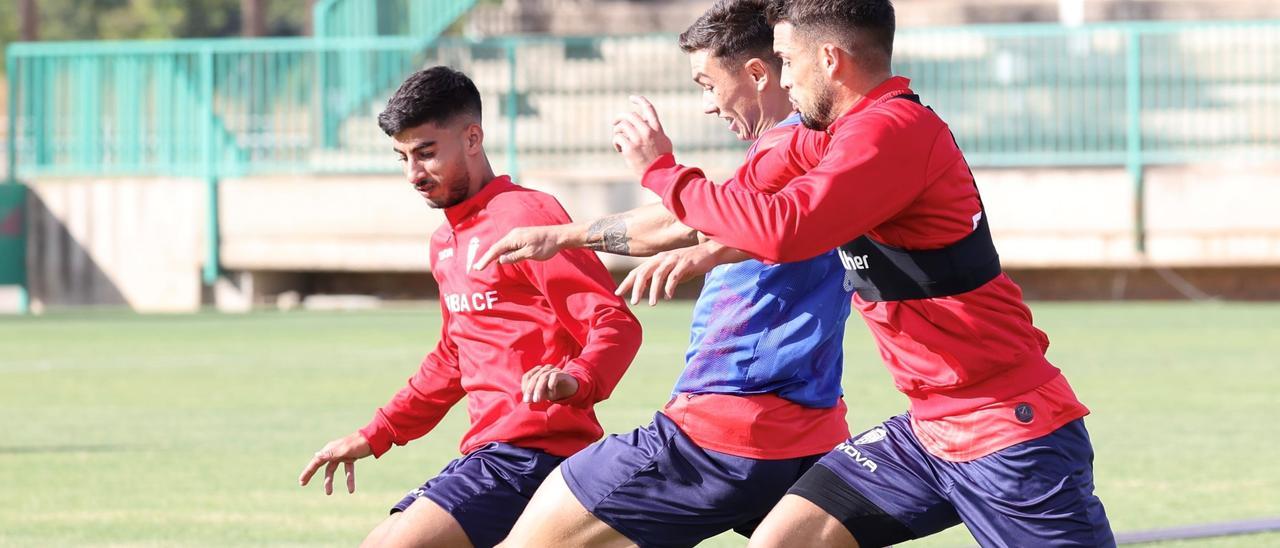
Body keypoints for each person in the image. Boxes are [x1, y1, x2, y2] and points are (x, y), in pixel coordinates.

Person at [610, 1, 1115, 546]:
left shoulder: (893, 131)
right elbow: (744, 199)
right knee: (785, 539)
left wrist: (663, 173)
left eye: (786, 59)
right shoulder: (835, 135)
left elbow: (786, 228)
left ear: (829, 60)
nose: (783, 77)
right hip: (926, 432)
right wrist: (573, 237)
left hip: (1007, 431)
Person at [475, 2, 856, 546]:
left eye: (708, 83)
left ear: (756, 73)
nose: (707, 104)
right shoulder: (811, 147)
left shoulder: (791, 143)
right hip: (808, 436)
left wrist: (657, 169)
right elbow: (692, 221)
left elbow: (690, 223)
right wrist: (561, 236)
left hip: (723, 433)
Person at [297, 66, 642, 548]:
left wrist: (578, 378)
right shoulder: (444, 241)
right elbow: (453, 357)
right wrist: (376, 434)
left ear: (473, 136)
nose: (414, 174)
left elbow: (613, 322)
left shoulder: (527, 217)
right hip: (488, 453)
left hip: (534, 454)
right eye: (402, 157)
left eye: (426, 153)